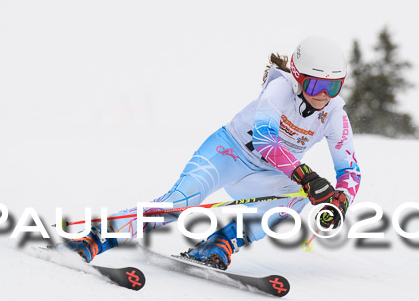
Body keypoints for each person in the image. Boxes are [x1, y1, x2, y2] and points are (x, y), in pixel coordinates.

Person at [64, 35, 362, 270]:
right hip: (227, 153)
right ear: (297, 77)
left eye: (333, 87)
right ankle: (94, 239)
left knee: (295, 199)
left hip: (268, 175)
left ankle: (220, 243)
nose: (324, 95)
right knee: (177, 205)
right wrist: (305, 174)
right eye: (316, 84)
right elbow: (265, 141)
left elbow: (350, 171)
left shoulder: (335, 115)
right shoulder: (280, 90)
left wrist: (340, 201)